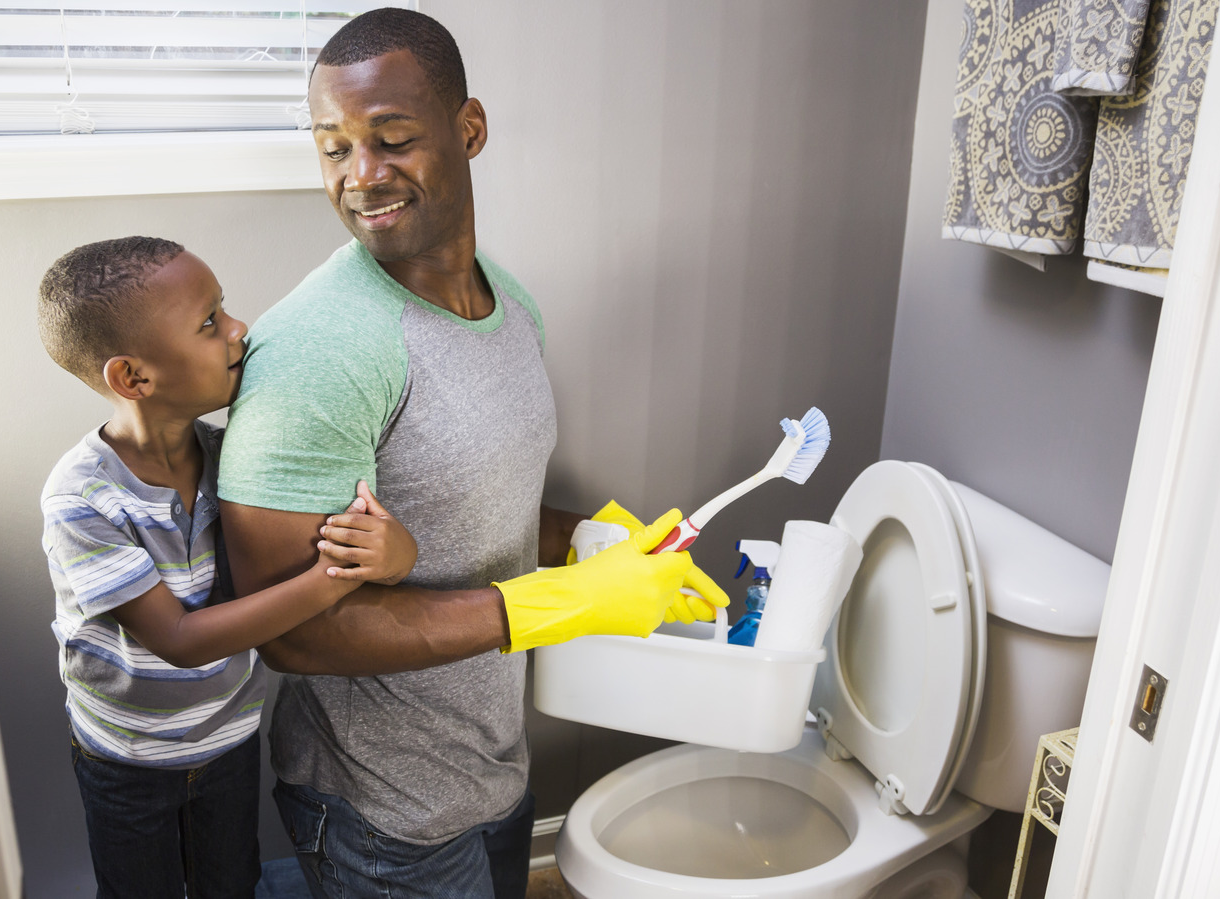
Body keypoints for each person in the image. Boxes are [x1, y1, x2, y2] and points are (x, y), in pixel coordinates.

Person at [215, 10, 729, 899]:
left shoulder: (510, 305)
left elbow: (467, 498)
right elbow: (289, 631)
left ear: (470, 129)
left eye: (394, 138)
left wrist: (594, 541)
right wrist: (557, 602)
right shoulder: (320, 348)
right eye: (333, 148)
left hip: (491, 764)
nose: (362, 176)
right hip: (385, 809)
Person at [37, 236, 418, 899]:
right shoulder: (82, 498)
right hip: (129, 759)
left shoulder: (236, 459)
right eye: (210, 321)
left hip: (228, 740)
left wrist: (395, 552)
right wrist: (340, 574)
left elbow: (370, 542)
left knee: (230, 885)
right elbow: (181, 640)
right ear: (132, 377)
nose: (240, 328)